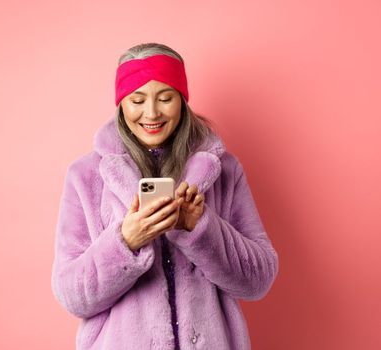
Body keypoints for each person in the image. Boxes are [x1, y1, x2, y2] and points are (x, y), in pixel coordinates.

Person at [50, 43, 279, 349]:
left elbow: (258, 279)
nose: (152, 112)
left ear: (182, 100)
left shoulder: (223, 170)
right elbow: (71, 295)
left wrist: (201, 229)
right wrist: (125, 243)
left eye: (165, 98)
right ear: (122, 104)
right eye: (137, 99)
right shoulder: (86, 176)